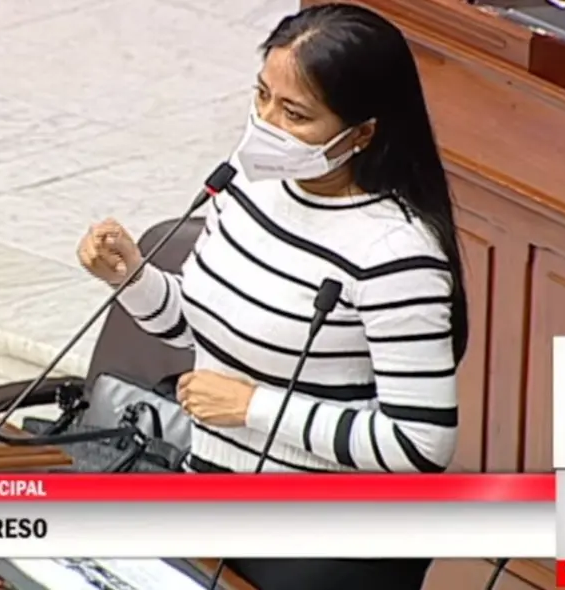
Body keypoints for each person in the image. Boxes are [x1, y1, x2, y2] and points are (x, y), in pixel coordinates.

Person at [77, 4, 467, 589]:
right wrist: (131, 278)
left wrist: (252, 408)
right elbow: (204, 332)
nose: (266, 124)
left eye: (295, 113)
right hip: (207, 493)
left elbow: (420, 443)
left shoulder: (396, 252)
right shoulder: (247, 185)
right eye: (262, 96)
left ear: (362, 133)